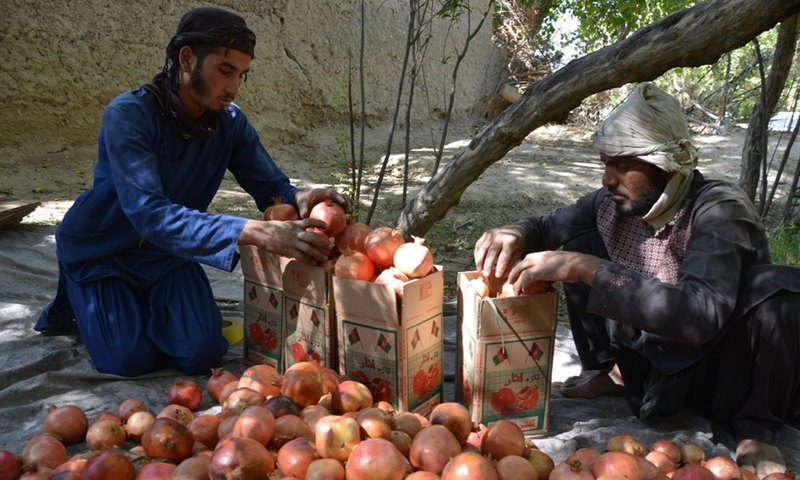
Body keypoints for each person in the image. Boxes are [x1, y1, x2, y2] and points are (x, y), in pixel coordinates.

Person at [474, 82, 800, 477]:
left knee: (778, 289)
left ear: (665, 165)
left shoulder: (719, 209)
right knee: (576, 241)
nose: (608, 178)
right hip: (649, 364)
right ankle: (613, 372)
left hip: (717, 372)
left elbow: (698, 316)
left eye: (622, 165)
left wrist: (586, 267)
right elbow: (547, 227)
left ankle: (757, 428)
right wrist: (517, 231)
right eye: (605, 163)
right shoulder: (609, 204)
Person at [35, 7, 352, 377]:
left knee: (203, 356)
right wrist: (250, 231)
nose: (233, 88)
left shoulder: (231, 123)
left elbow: (272, 188)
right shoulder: (129, 115)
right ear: (187, 59)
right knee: (128, 361)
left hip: (167, 255)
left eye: (241, 75)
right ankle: (88, 296)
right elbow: (149, 214)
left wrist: (301, 198)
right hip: (104, 252)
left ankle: (142, 309)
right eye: (224, 70)